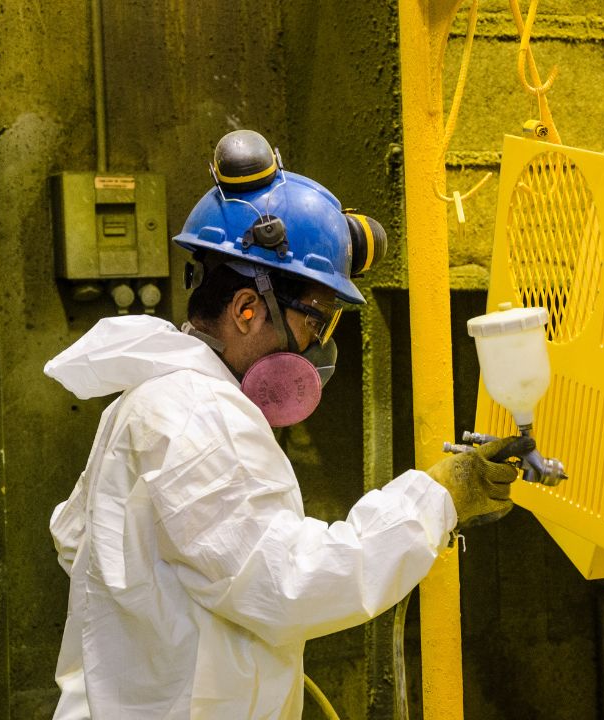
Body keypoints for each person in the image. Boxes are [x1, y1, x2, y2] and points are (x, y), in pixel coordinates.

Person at [43, 130, 533, 719]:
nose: (316, 348)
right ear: (248, 310)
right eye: (315, 321)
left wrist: (236, 650)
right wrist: (439, 496)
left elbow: (78, 540)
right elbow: (292, 581)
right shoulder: (201, 415)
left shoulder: (149, 395)